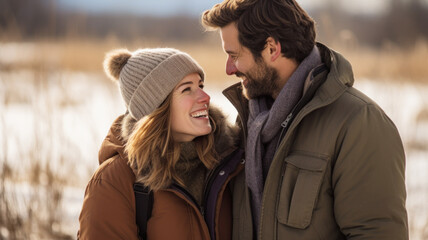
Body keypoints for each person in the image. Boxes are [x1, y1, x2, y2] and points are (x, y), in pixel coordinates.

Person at [201, 0, 408, 239]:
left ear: (271, 49)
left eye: (234, 55)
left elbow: (376, 232)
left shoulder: (358, 123)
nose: (229, 69)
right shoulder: (249, 122)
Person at [77, 48, 243, 240]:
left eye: (201, 86)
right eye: (187, 89)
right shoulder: (114, 183)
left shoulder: (227, 163)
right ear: (156, 108)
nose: (205, 97)